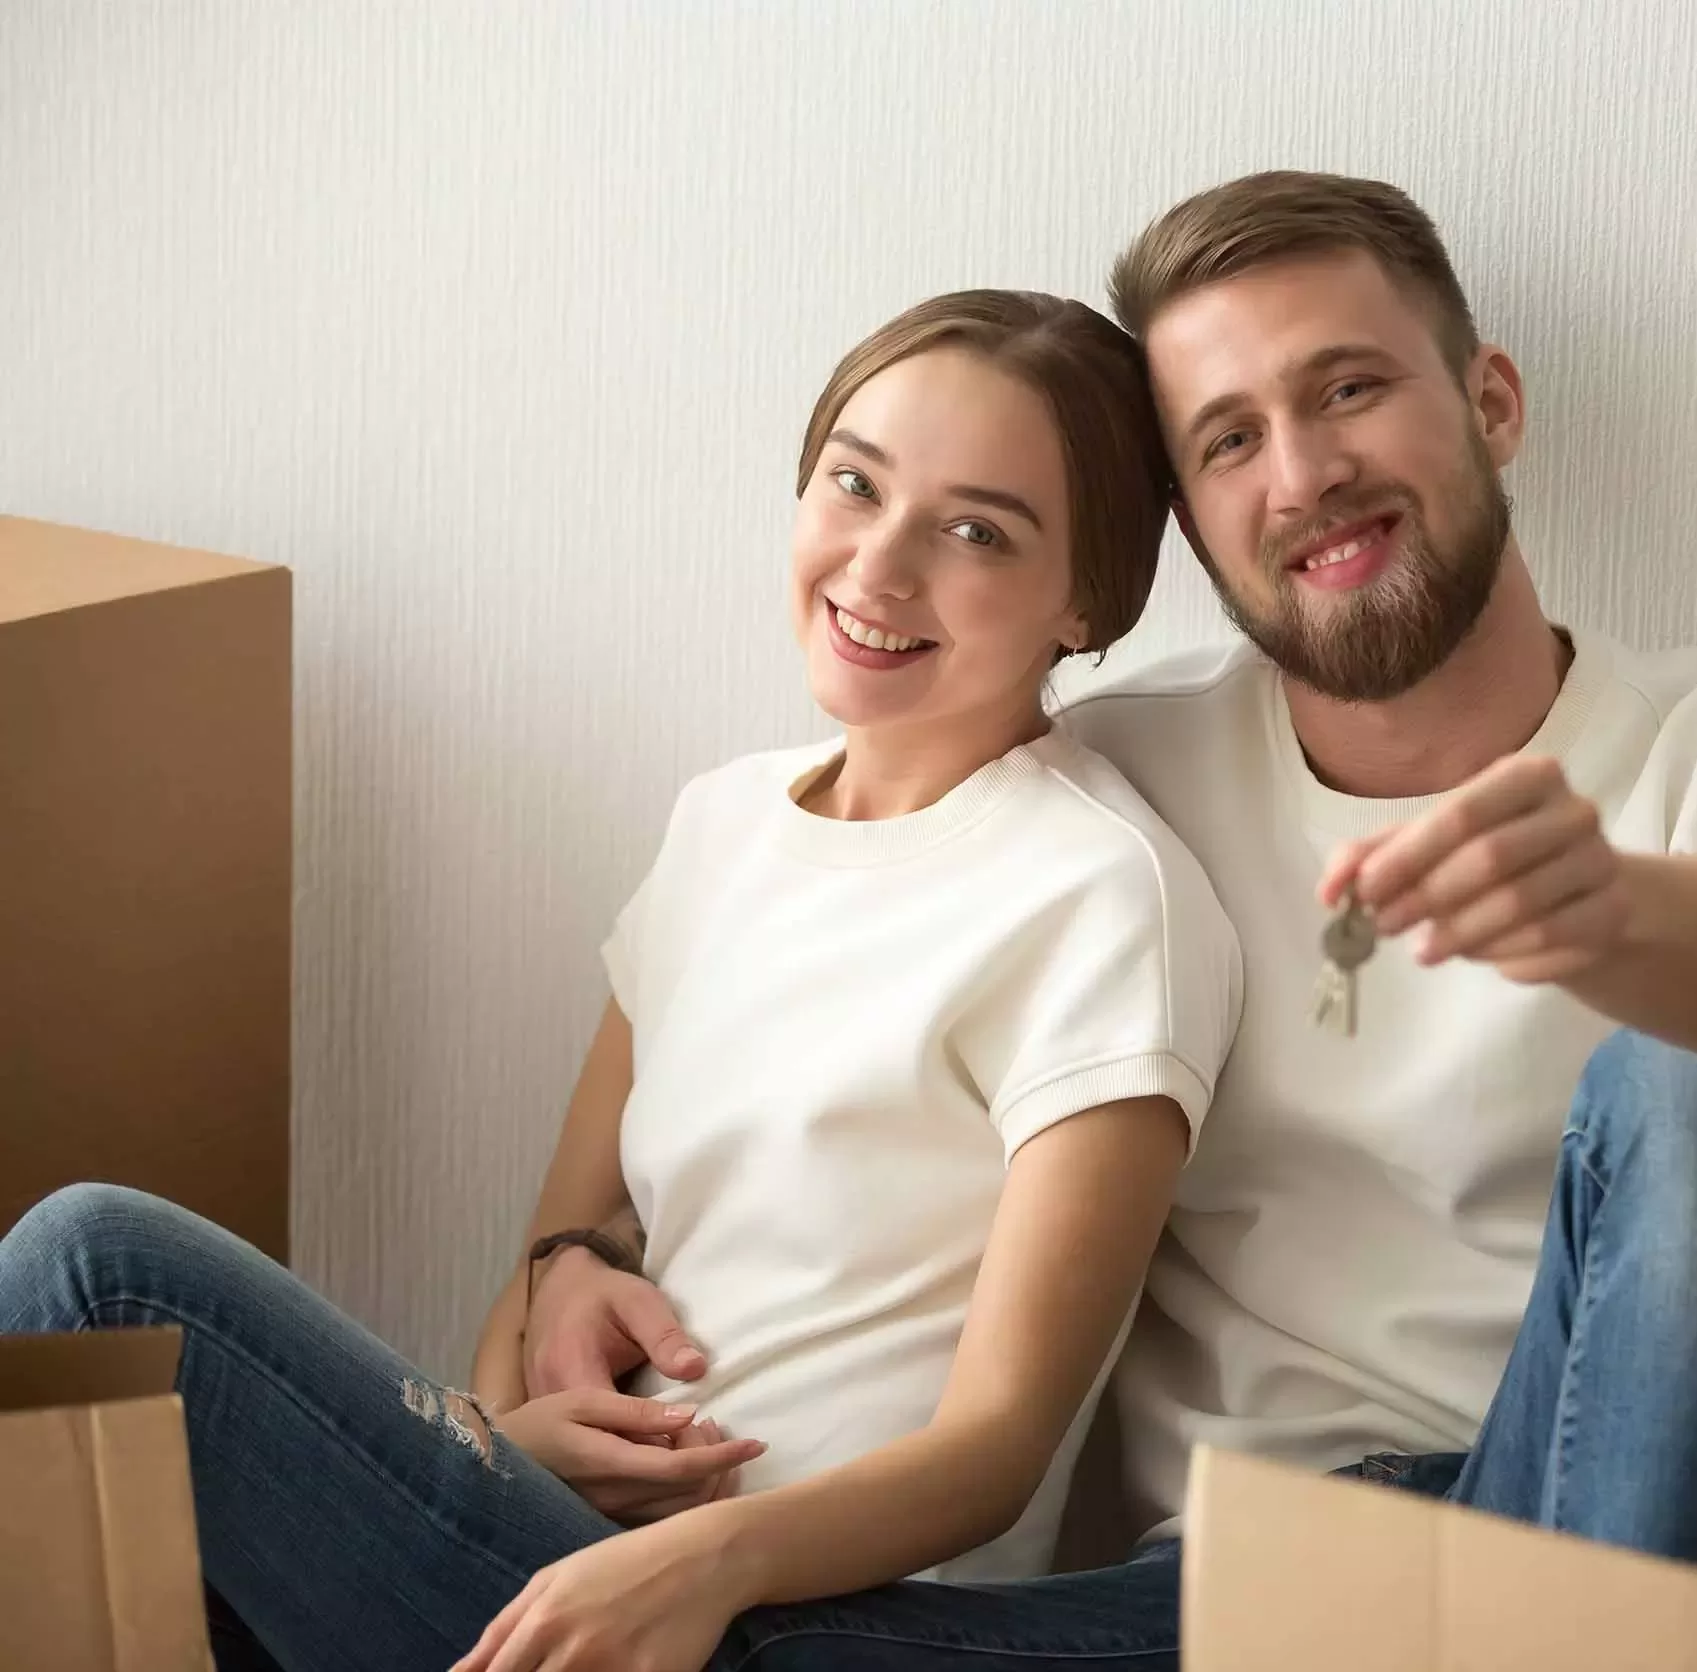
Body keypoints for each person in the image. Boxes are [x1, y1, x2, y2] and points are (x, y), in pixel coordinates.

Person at [515, 171, 1697, 1668]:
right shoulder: (1107, 786)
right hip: (1224, 1594)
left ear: (1492, 403)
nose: (1304, 471)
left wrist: (1621, 919)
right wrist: (573, 1251)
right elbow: (784, 962)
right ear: (1185, 530)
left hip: (1577, 1524)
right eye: (1229, 441)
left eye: (1349, 390)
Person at [0, 289, 1242, 1671]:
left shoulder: (1097, 894)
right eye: (855, 482)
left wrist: (691, 1562)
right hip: (554, 1531)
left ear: (1087, 598)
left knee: (96, 1268)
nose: (878, 568)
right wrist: (516, 1426)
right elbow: (547, 1262)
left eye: (974, 532)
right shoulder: (723, 821)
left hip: (770, 1610)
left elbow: (995, 1452)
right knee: (121, 1543)